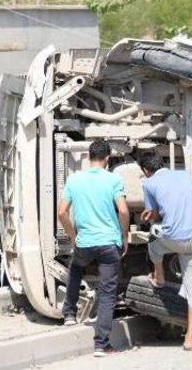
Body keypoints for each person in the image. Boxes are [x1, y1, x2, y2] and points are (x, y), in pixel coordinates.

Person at [57, 140, 130, 357]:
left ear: (89, 157)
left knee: (76, 268)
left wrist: (73, 237)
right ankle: (101, 345)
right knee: (108, 293)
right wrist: (124, 236)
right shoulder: (114, 179)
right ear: (107, 158)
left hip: (84, 243)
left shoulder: (74, 179)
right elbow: (124, 211)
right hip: (109, 244)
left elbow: (62, 213)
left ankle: (69, 314)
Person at [138, 151, 192, 351]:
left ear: (145, 170)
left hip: (174, 239)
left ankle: (159, 276)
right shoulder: (184, 175)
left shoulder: (149, 184)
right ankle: (189, 340)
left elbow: (154, 213)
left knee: (153, 241)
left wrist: (148, 214)